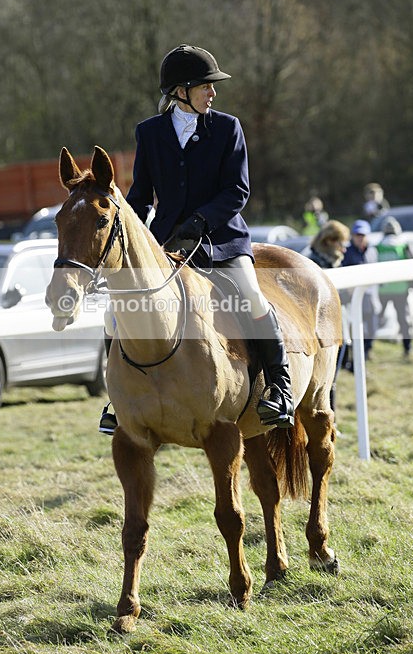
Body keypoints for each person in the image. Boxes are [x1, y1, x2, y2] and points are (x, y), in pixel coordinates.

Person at [100, 43, 294, 434]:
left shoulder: (227, 127)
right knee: (112, 315)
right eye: (205, 85)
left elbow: (238, 190)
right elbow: (139, 196)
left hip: (222, 240)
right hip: (165, 245)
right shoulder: (149, 133)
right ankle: (118, 398)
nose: (213, 92)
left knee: (251, 297)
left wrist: (201, 222)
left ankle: (279, 387)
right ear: (180, 91)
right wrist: (129, 241)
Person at [307, 219, 350, 414]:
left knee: (332, 379)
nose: (344, 248)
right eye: (341, 243)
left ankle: (332, 420)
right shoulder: (309, 261)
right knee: (323, 379)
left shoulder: (333, 261)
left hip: (337, 326)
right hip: (316, 329)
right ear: (329, 241)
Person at [376, 215, 413, 361]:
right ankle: (408, 349)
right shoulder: (403, 245)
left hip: (383, 291)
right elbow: (412, 268)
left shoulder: (378, 246)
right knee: (404, 321)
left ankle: (366, 351)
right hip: (401, 291)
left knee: (375, 321)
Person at [342, 220, 381, 361]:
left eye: (363, 234)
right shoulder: (346, 252)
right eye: (357, 234)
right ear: (352, 236)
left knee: (373, 327)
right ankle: (357, 359)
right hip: (354, 298)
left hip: (372, 296)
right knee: (358, 330)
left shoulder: (373, 251)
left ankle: (366, 352)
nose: (360, 237)